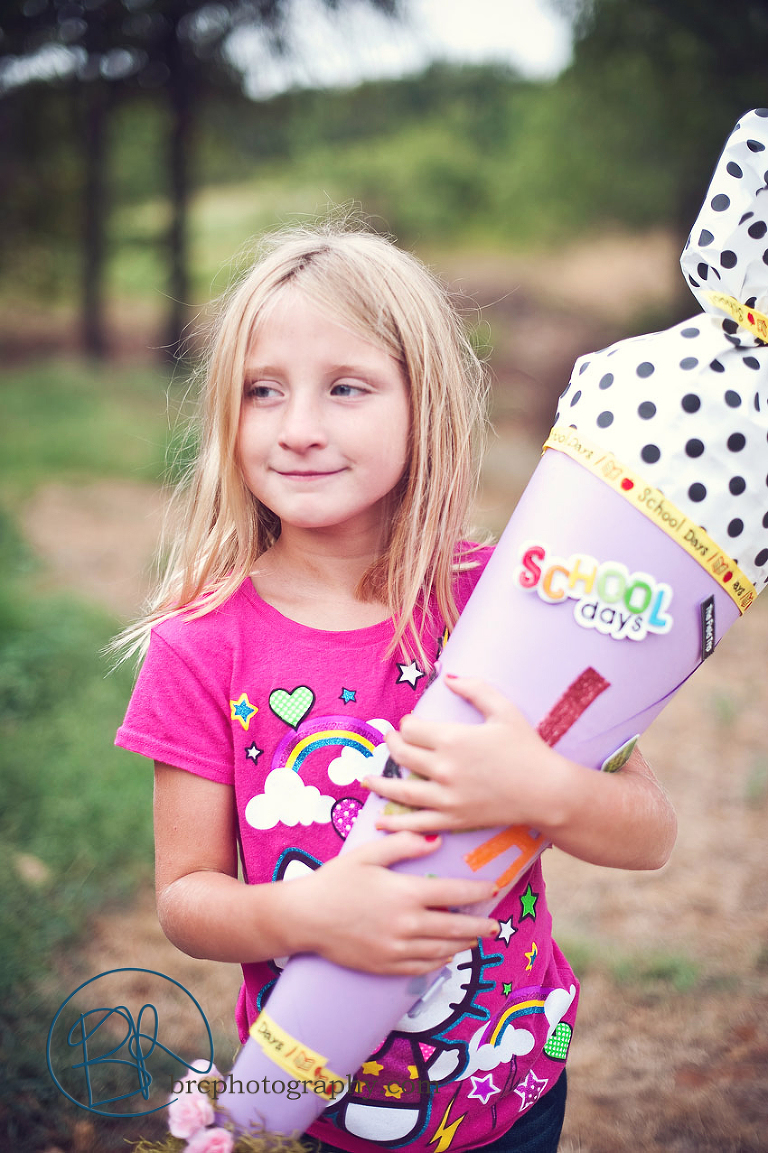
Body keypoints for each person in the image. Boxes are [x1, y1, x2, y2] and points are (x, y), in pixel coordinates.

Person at [115, 220, 677, 1153]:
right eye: (262, 389)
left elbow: (649, 832)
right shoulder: (201, 643)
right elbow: (186, 897)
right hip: (310, 1104)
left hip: (509, 1088)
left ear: (425, 405)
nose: (299, 427)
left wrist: (543, 788)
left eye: (346, 387)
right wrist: (307, 914)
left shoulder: (507, 605)